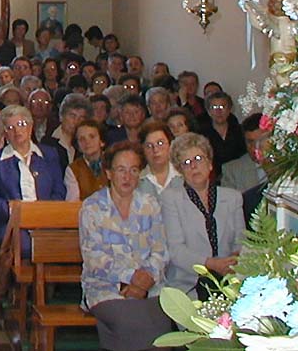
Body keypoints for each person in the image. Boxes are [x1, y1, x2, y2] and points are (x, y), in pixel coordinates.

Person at [79, 142, 171, 351]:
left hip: (149, 287)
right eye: (121, 170)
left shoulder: (150, 204)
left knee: (162, 325)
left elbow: (160, 250)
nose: (127, 177)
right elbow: (94, 258)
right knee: (133, 322)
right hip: (106, 288)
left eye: (134, 170)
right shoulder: (92, 207)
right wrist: (130, 278)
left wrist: (144, 281)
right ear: (109, 173)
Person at [161, 133, 245, 299]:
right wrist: (211, 264)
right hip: (188, 285)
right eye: (186, 163)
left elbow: (241, 242)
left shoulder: (233, 197)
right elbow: (176, 251)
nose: (193, 166)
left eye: (198, 159)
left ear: (210, 164)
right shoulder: (170, 199)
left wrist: (232, 262)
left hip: (230, 279)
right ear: (180, 171)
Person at [0, 105, 65, 253]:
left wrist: (42, 213)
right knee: (26, 245)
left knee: (63, 244)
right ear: (5, 134)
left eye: (21, 124)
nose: (17, 131)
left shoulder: (49, 154)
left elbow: (59, 191)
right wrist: (16, 213)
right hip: (11, 224)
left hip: (46, 221)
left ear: (30, 126)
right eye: (10, 127)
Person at [198, 91, 246, 176]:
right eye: (214, 107)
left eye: (222, 106)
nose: (218, 111)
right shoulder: (201, 135)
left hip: (238, 174)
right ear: (209, 111)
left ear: (229, 110)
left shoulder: (240, 131)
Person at [221, 113, 269, 194]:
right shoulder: (232, 171)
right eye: (250, 142)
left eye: (260, 141)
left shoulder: (287, 165)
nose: (255, 147)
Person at [64, 120, 108, 201]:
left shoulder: (113, 162)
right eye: (82, 139)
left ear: (101, 141)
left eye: (92, 137)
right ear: (78, 146)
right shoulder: (73, 170)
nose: (87, 142)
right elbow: (73, 202)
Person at [138, 121, 180, 198]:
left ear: (170, 145)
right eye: (149, 146)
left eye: (160, 143)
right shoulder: (137, 181)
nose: (155, 150)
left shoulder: (184, 175)